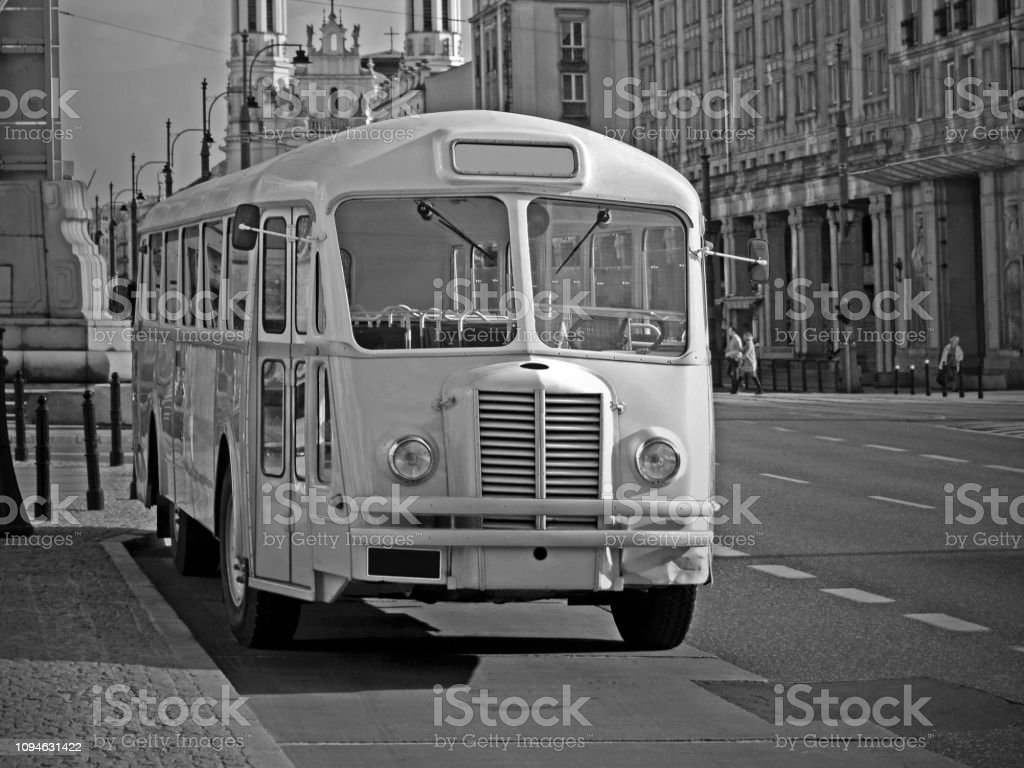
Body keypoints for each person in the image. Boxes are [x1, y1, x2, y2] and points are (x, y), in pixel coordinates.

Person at [725, 325, 743, 393]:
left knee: (735, 374)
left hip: (736, 359)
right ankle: (737, 386)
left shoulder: (737, 338)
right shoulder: (732, 338)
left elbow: (740, 349)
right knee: (729, 373)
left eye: (729, 331)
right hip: (732, 358)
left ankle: (735, 389)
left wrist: (730, 353)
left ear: (733, 331)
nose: (728, 332)